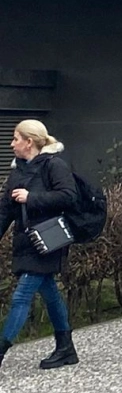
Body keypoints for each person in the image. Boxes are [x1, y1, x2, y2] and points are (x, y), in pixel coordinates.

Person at [0, 120, 79, 369]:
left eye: (15, 139)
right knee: (50, 292)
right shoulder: (18, 172)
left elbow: (69, 196)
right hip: (26, 243)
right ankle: (66, 348)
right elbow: (5, 211)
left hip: (49, 241)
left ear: (29, 142)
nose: (11, 144)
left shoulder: (54, 165)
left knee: (22, 296)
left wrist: (31, 197)